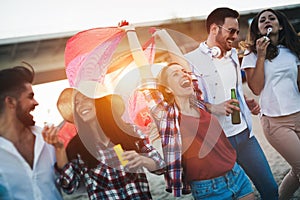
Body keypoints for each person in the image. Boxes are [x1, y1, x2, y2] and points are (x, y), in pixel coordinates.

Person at [120, 23, 254, 199]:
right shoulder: (167, 115)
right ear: (167, 89)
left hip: (236, 174)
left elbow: (181, 61)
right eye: (175, 75)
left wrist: (163, 34)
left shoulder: (197, 102)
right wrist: (130, 32)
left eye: (183, 73)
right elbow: (144, 71)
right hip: (209, 189)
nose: (183, 75)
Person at [184, 7, 279, 199]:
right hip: (218, 143)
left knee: (270, 189)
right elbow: (186, 101)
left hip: (244, 135)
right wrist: (213, 107)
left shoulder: (234, 55)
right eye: (231, 31)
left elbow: (232, 87)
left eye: (236, 31)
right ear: (213, 29)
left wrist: (245, 100)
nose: (235, 36)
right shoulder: (189, 60)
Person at [42, 86, 165, 200]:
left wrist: (142, 159)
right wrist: (59, 148)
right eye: (76, 103)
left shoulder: (129, 131)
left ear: (98, 101)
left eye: (86, 99)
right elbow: (69, 186)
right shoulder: (77, 147)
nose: (81, 105)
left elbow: (160, 166)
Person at [241, 8, 300, 200]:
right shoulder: (251, 55)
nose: (267, 21)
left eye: (272, 18)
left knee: (297, 171)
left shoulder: (292, 51)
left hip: (298, 114)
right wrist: (260, 56)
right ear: (258, 30)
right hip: (275, 123)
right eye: (262, 20)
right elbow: (256, 88)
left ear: (280, 25)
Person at [0, 64, 63, 200]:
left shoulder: (48, 140)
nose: (36, 103)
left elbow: (70, 187)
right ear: (10, 102)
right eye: (30, 97)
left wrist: (60, 149)